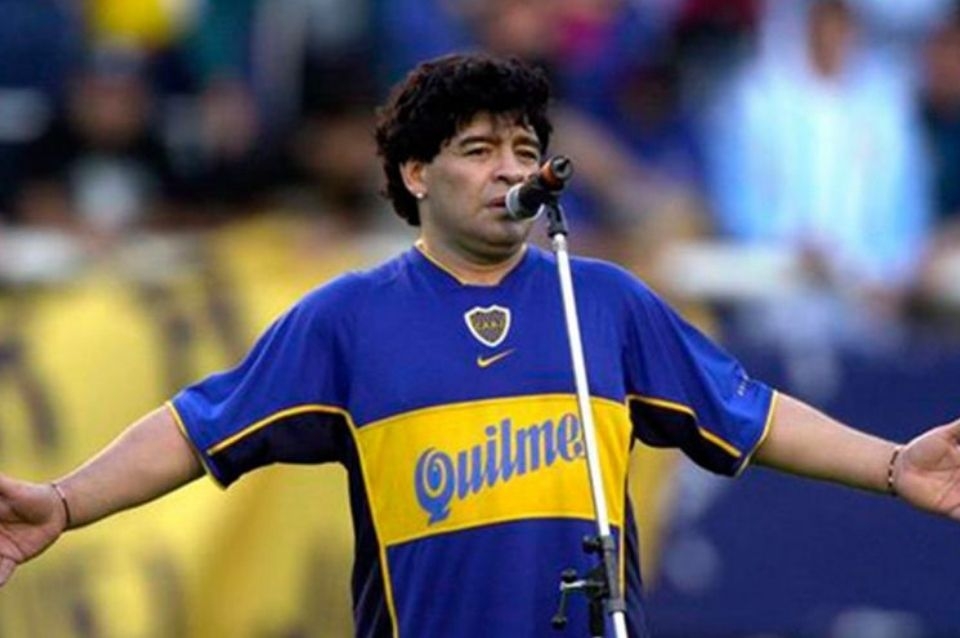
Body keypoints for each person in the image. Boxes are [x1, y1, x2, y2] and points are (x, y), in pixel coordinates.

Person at [0, 53, 957, 638]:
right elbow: (196, 428)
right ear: (415, 174)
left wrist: (893, 465)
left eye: (524, 149)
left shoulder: (604, 301)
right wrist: (64, 503)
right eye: (478, 150)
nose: (510, 169)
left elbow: (750, 413)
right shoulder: (346, 318)